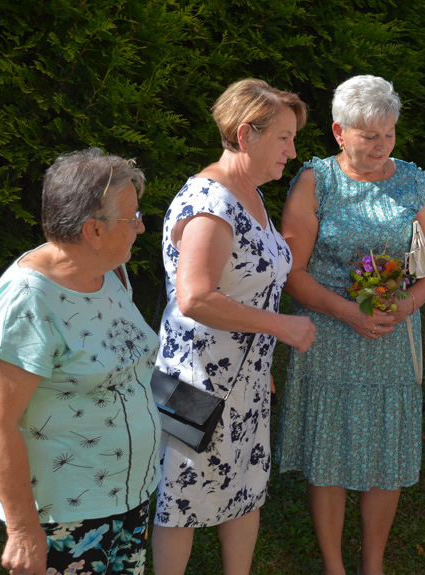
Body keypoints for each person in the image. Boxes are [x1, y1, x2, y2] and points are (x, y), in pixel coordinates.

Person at [275, 75, 425, 575]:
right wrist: (348, 311)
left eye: (389, 134)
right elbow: (293, 271)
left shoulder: (410, 179)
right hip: (328, 333)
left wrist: (409, 303)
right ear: (339, 131)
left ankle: (372, 564)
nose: (381, 146)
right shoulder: (316, 181)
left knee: (387, 454)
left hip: (392, 334)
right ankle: (334, 564)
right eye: (369, 136)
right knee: (327, 453)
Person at [152, 79, 316, 575]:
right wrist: (280, 327)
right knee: (180, 504)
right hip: (196, 385)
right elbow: (196, 296)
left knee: (243, 494)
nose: (292, 150)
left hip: (242, 384)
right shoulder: (211, 205)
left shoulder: (252, 195)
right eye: (283, 138)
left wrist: (258, 360)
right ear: (246, 135)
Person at [0, 148, 160, 575]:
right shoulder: (28, 300)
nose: (141, 227)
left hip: (129, 496)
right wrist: (23, 531)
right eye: (133, 218)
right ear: (94, 229)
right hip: (65, 517)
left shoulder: (110, 271)